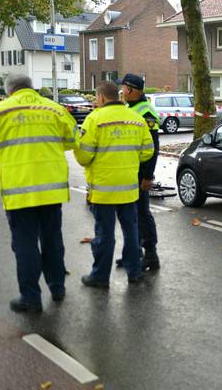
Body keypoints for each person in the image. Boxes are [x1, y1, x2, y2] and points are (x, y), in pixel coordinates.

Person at [0, 73, 77, 313]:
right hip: (51, 190)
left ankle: (31, 298)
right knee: (52, 240)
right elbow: (71, 140)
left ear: (9, 91)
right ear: (31, 87)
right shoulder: (55, 109)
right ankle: (57, 288)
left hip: (19, 191)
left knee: (25, 244)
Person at [74, 81, 154, 288]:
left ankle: (100, 276)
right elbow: (147, 151)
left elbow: (83, 156)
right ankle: (134, 271)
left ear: (100, 98)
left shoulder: (94, 119)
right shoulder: (137, 119)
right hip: (129, 188)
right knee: (131, 231)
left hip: (103, 190)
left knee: (105, 234)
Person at [117, 73, 161, 271]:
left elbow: (153, 147)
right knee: (129, 214)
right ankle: (133, 253)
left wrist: (147, 176)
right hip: (128, 170)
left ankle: (151, 255)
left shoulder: (146, 112)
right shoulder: (130, 108)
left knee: (142, 213)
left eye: (124, 88)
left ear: (130, 89)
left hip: (139, 173)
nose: (122, 91)